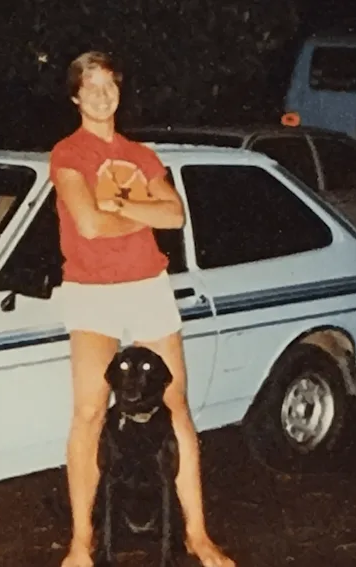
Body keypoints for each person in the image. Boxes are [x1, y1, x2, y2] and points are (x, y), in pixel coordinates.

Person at [49, 51, 236, 567]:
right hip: (91, 290)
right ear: (75, 96)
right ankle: (81, 544)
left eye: (109, 85)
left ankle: (198, 536)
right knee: (89, 413)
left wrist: (121, 208)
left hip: (148, 285)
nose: (101, 95)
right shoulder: (68, 154)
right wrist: (141, 214)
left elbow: (174, 214)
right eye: (90, 87)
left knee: (176, 408)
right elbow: (88, 225)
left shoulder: (142, 154)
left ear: (119, 92)